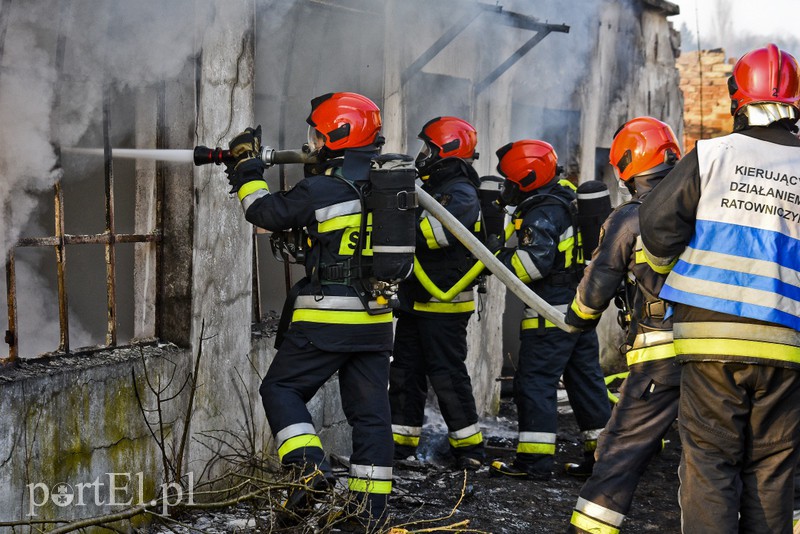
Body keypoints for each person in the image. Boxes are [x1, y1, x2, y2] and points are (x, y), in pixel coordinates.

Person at [638, 44, 800, 533]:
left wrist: (667, 269)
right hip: (787, 343)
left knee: (709, 463)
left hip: (708, 336)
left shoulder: (711, 156)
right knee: (772, 470)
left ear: (737, 100)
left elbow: (657, 227)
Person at [224, 92, 394, 526]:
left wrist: (247, 168)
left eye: (317, 135)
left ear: (338, 136)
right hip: (376, 321)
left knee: (281, 389)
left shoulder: (322, 190)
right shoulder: (393, 189)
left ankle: (309, 470)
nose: (312, 143)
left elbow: (263, 212)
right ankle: (367, 514)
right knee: (371, 417)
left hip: (328, 319)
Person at [564, 117, 682, 533]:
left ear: (630, 165)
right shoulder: (705, 208)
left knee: (619, 450)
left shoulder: (630, 217)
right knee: (716, 456)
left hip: (660, 354)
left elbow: (596, 288)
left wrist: (576, 320)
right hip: (712, 351)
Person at [488, 139, 610, 481]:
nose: (507, 186)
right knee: (585, 381)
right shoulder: (566, 198)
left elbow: (532, 266)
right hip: (579, 307)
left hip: (549, 313)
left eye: (511, 180)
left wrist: (497, 256)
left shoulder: (542, 212)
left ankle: (533, 462)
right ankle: (604, 460)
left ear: (527, 178)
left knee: (535, 382)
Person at [389, 116, 486, 470]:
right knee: (405, 373)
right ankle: (399, 445)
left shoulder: (461, 193)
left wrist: (394, 220)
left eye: (428, 148)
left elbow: (432, 235)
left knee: (446, 377)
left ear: (446, 151)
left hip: (444, 304)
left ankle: (470, 450)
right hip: (417, 301)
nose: (422, 155)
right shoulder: (436, 188)